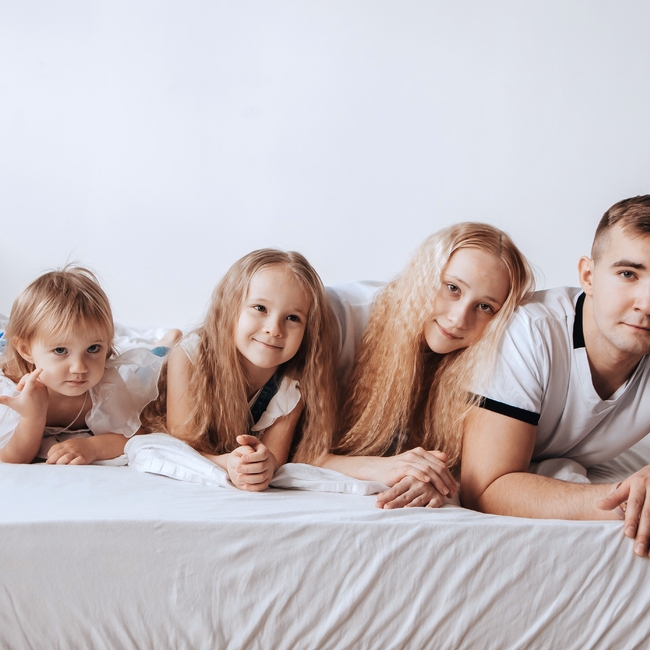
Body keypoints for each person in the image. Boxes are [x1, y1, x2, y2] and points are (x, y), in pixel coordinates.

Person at [461, 195, 650, 558]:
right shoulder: (530, 331)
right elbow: (485, 488)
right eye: (628, 274)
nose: (646, 303)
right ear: (588, 277)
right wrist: (627, 501)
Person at [317, 223, 535, 508]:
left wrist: (431, 478)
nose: (459, 319)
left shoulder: (488, 363)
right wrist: (381, 468)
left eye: (485, 307)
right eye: (453, 288)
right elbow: (290, 448)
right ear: (424, 275)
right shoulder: (341, 317)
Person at [162, 248, 338, 491]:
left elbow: (274, 458)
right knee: (157, 355)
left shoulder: (292, 385)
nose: (274, 329)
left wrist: (263, 464)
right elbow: (183, 448)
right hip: (158, 367)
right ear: (230, 307)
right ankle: (166, 340)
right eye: (260, 308)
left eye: (292, 318)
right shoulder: (188, 357)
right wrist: (227, 463)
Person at [0, 266, 164, 464]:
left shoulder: (105, 386)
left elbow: (134, 434)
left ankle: (165, 342)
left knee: (153, 365)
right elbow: (10, 458)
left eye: (93, 348)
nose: (79, 368)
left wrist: (92, 447)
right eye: (60, 350)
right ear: (26, 350)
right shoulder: (12, 393)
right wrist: (32, 417)